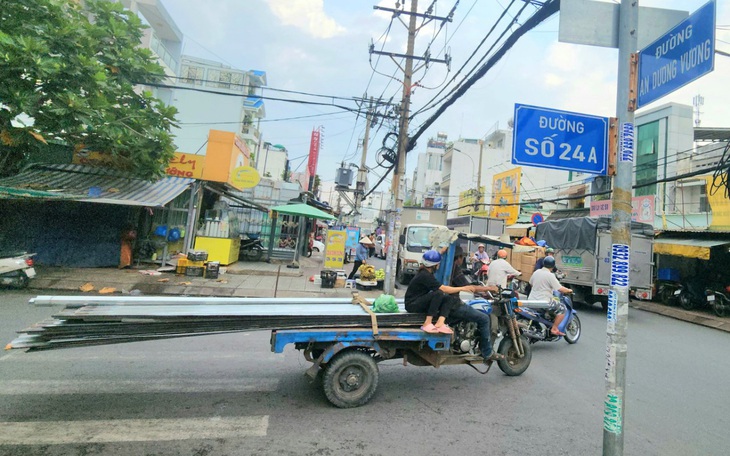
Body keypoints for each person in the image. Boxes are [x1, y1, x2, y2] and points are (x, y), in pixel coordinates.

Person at [406, 249, 483, 336]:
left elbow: (432, 257)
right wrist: (463, 288)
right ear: (434, 265)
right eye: (438, 264)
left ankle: (440, 323)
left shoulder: (427, 272)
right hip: (412, 305)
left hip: (418, 302)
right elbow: (444, 289)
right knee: (439, 293)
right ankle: (427, 323)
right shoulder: (425, 275)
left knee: (450, 298)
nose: (439, 265)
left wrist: (443, 250)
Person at [528, 256, 572, 336]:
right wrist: (569, 290)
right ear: (553, 266)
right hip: (544, 302)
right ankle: (554, 328)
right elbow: (560, 289)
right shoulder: (550, 275)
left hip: (531, 300)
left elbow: (531, 283)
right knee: (562, 308)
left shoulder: (536, 272)